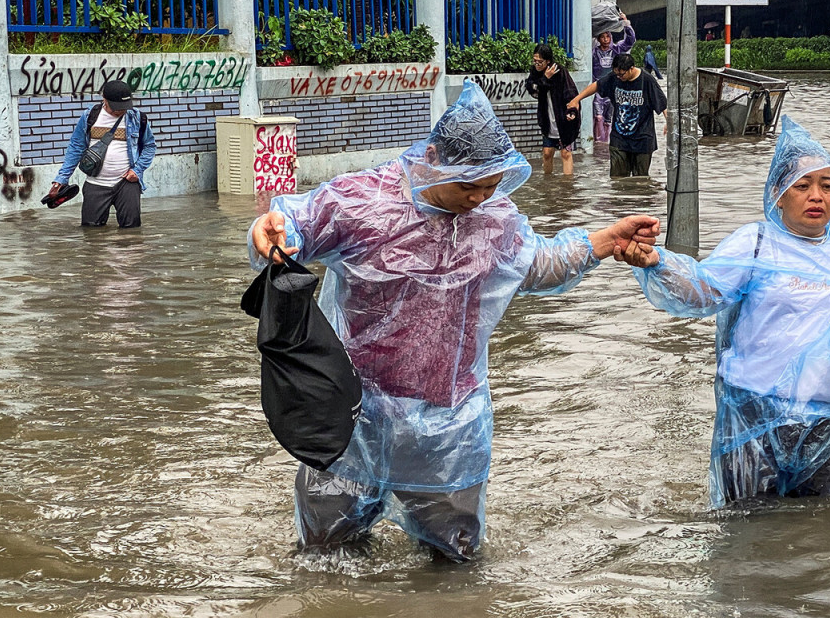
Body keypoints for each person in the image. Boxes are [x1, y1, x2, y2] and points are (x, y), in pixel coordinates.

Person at [246, 80, 659, 562]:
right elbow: (292, 225)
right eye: (468, 185)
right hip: (354, 417)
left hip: (449, 426)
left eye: (489, 186)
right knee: (326, 557)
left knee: (456, 560)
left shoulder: (495, 217)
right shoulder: (361, 202)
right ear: (434, 156)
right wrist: (268, 232)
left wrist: (603, 241)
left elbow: (535, 265)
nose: (477, 199)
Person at [616, 116, 830, 507]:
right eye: (802, 186)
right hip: (752, 409)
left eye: (827, 186)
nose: (816, 196)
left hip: (826, 414)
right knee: (745, 529)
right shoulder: (756, 243)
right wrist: (656, 263)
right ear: (779, 194)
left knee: (817, 529)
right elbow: (703, 291)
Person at [47, 78, 156, 228]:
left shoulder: (137, 118)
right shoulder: (90, 117)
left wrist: (137, 170)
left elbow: (149, 146)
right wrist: (61, 179)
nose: (121, 111)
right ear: (105, 100)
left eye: (124, 107)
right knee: (91, 233)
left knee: (132, 233)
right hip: (95, 183)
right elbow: (76, 147)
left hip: (127, 183)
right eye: (116, 108)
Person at [568, 53, 667, 178]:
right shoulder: (614, 77)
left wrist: (668, 122)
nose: (619, 77)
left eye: (622, 74)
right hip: (619, 138)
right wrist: (576, 100)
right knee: (617, 179)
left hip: (643, 138)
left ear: (631, 68)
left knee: (640, 180)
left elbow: (663, 103)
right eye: (617, 74)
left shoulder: (647, 80)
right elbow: (597, 85)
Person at [524, 44, 580, 175]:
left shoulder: (560, 71)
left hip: (563, 119)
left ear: (548, 61)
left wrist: (572, 112)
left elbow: (571, 93)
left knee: (565, 153)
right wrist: (545, 79)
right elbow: (533, 90)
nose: (537, 64)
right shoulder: (535, 72)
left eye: (540, 62)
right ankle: (548, 181)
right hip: (547, 119)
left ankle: (567, 185)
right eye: (535, 61)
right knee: (547, 153)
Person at [591, 11, 635, 145]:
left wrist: (626, 23)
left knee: (609, 119)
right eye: (602, 37)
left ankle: (607, 144)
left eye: (607, 36)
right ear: (598, 39)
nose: (605, 39)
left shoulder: (616, 50)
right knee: (598, 116)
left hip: (613, 89)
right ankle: (598, 142)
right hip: (598, 89)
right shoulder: (593, 52)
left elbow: (630, 41)